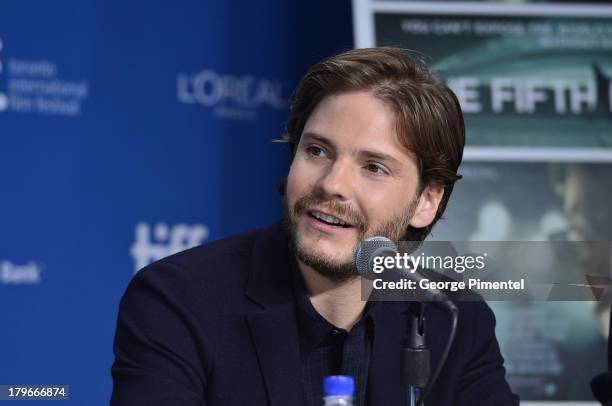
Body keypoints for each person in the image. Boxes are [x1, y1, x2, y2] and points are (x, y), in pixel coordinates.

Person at [110, 47, 519, 405]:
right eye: (318, 151)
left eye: (373, 167)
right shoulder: (180, 301)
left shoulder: (454, 319)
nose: (331, 184)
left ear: (427, 201)